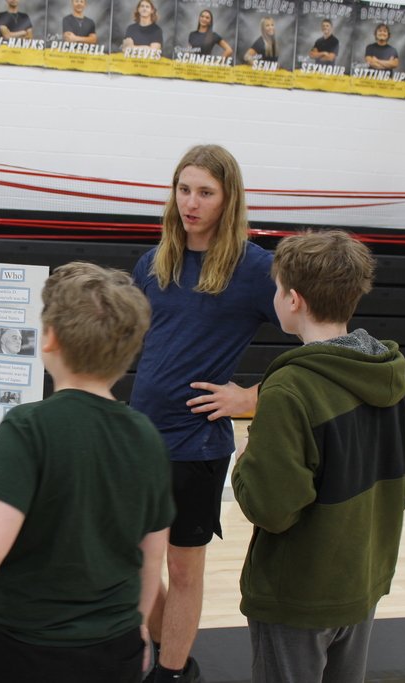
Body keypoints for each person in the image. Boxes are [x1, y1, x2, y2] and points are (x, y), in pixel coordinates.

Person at [0, 262, 175, 683]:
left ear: (50, 339)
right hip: (114, 648)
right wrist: (139, 625)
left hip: (22, 651)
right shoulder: (146, 436)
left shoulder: (28, 427)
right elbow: (151, 556)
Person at [231, 231, 405, 683]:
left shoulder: (289, 388)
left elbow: (273, 508)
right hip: (361, 584)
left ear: (293, 299)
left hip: (298, 595)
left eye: (276, 288)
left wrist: (244, 463)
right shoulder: (388, 373)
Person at [130, 145, 281, 683]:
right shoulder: (153, 262)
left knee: (182, 568)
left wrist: (250, 398)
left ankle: (173, 672)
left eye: (205, 192)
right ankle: (167, 644)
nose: (191, 203)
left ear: (228, 197)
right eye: (184, 189)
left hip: (196, 445)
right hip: (139, 438)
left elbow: (321, 343)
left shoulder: (257, 267)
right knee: (130, 560)